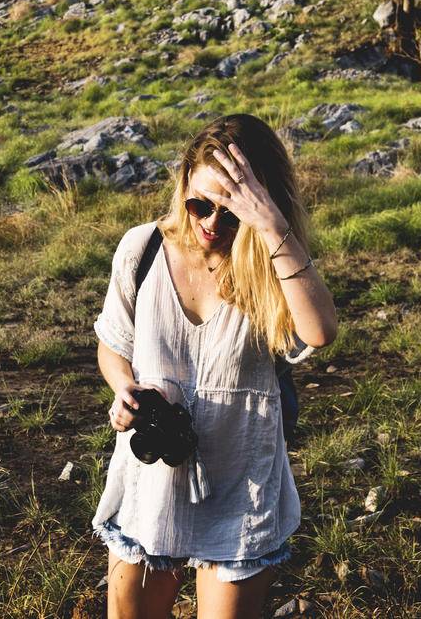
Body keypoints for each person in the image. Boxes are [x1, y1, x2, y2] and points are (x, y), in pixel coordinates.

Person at [92, 113, 339, 618]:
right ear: (182, 183)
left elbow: (319, 332)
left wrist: (270, 225)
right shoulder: (142, 249)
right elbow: (113, 343)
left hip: (240, 483)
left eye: (231, 214)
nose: (210, 225)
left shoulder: (270, 265)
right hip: (151, 481)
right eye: (199, 205)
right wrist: (123, 388)